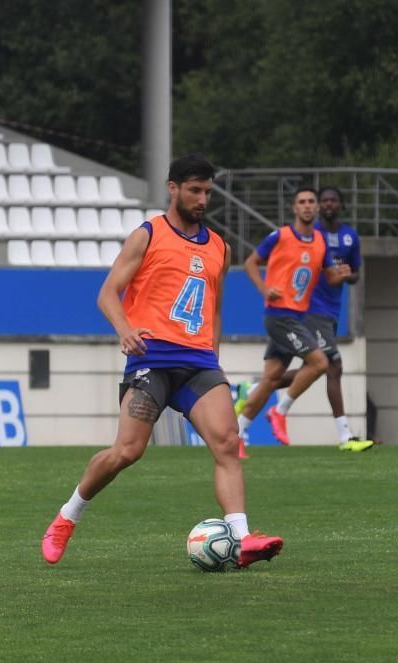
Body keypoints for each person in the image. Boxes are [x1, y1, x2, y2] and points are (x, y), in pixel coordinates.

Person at [41, 154, 283, 567]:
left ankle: (242, 540)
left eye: (208, 191)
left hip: (199, 363)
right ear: (173, 188)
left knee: (227, 443)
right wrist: (125, 329)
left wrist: (215, 360)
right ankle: (67, 517)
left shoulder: (219, 247)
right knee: (127, 451)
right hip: (151, 359)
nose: (202, 198)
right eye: (194, 190)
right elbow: (107, 293)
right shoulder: (148, 235)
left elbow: (215, 309)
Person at [240, 186, 373, 452]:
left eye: (312, 201)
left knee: (271, 379)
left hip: (297, 317)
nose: (309, 206)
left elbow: (331, 276)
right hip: (281, 315)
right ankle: (280, 412)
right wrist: (265, 289)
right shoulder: (281, 235)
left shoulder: (321, 243)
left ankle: (238, 432)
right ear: (294, 207)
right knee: (322, 362)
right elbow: (250, 262)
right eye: (303, 201)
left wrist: (344, 274)